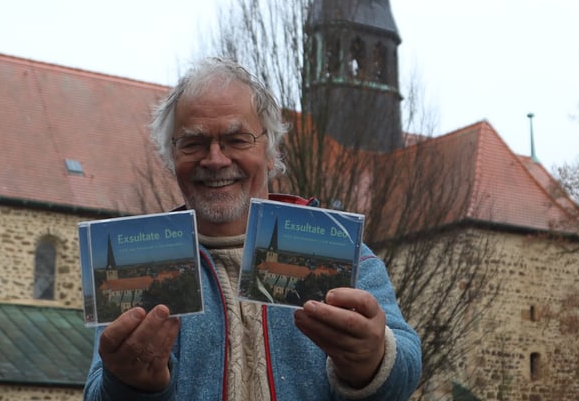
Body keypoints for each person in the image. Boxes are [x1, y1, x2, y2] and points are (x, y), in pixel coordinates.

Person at [83, 57, 422, 400]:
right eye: (193, 143)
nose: (215, 159)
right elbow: (96, 391)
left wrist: (374, 360)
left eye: (237, 140)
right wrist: (128, 384)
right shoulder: (132, 263)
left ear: (271, 152)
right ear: (172, 158)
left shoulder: (343, 251)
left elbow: (406, 364)